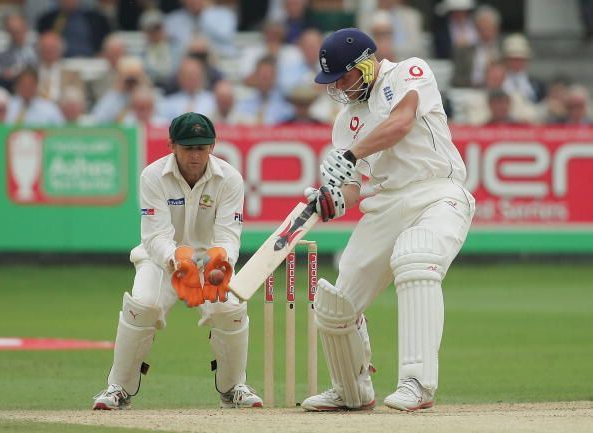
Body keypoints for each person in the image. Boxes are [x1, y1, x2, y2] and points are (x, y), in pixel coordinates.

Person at [301, 28, 475, 412]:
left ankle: (417, 384)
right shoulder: (345, 122)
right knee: (334, 304)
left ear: (364, 64)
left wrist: (348, 156)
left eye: (344, 78)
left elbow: (401, 123)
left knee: (416, 259)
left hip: (437, 191)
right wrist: (332, 200)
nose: (340, 89)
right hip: (385, 203)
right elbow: (350, 188)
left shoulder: (409, 72)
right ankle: (351, 390)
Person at [93, 112, 263, 410]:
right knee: (143, 304)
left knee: (231, 307)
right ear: (172, 145)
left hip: (208, 263)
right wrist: (176, 259)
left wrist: (220, 261)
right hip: (161, 261)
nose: (195, 155)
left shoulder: (230, 178)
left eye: (201, 147)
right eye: (188, 148)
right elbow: (155, 236)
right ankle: (117, 387)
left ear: (212, 146)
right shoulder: (153, 176)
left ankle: (233, 386)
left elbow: (228, 235)